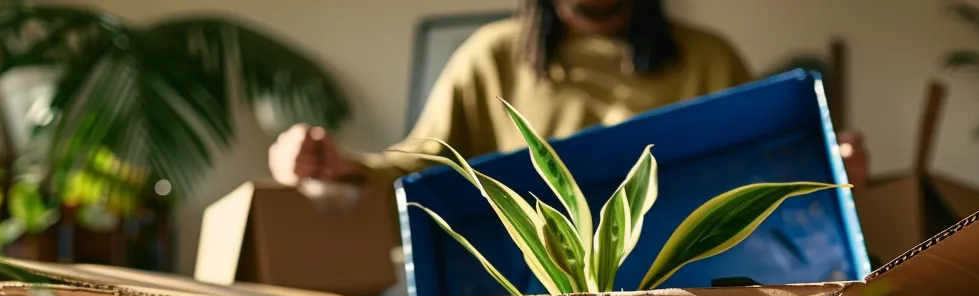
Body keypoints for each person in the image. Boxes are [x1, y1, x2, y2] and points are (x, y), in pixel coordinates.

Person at [269, 0, 869, 188]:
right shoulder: (490, 56)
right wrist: (334, 166)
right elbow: (422, 168)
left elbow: (767, 177)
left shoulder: (710, 57)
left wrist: (830, 171)